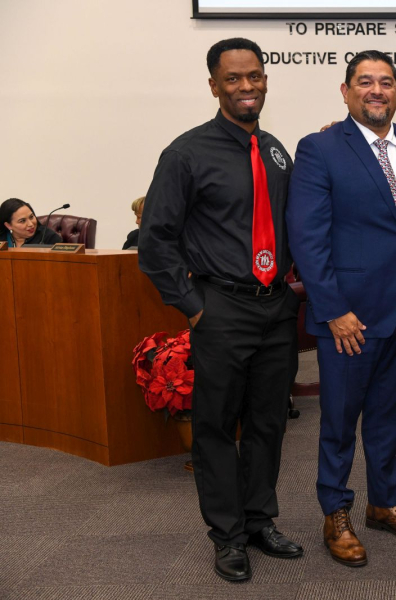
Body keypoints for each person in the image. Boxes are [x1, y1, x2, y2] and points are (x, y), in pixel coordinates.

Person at [138, 37, 302, 583]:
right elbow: (155, 241)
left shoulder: (277, 150)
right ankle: (227, 535)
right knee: (215, 426)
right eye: (233, 78)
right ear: (214, 86)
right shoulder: (184, 154)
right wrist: (193, 306)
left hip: (276, 308)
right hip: (221, 308)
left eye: (254, 76)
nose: (246, 86)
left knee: (268, 422)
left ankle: (259, 520)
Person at [287, 50, 396, 568]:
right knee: (338, 422)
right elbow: (307, 238)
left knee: (387, 419)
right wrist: (333, 309)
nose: (377, 90)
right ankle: (335, 511)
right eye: (365, 82)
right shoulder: (320, 148)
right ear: (346, 89)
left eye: (387, 83)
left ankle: (383, 502)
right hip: (348, 319)